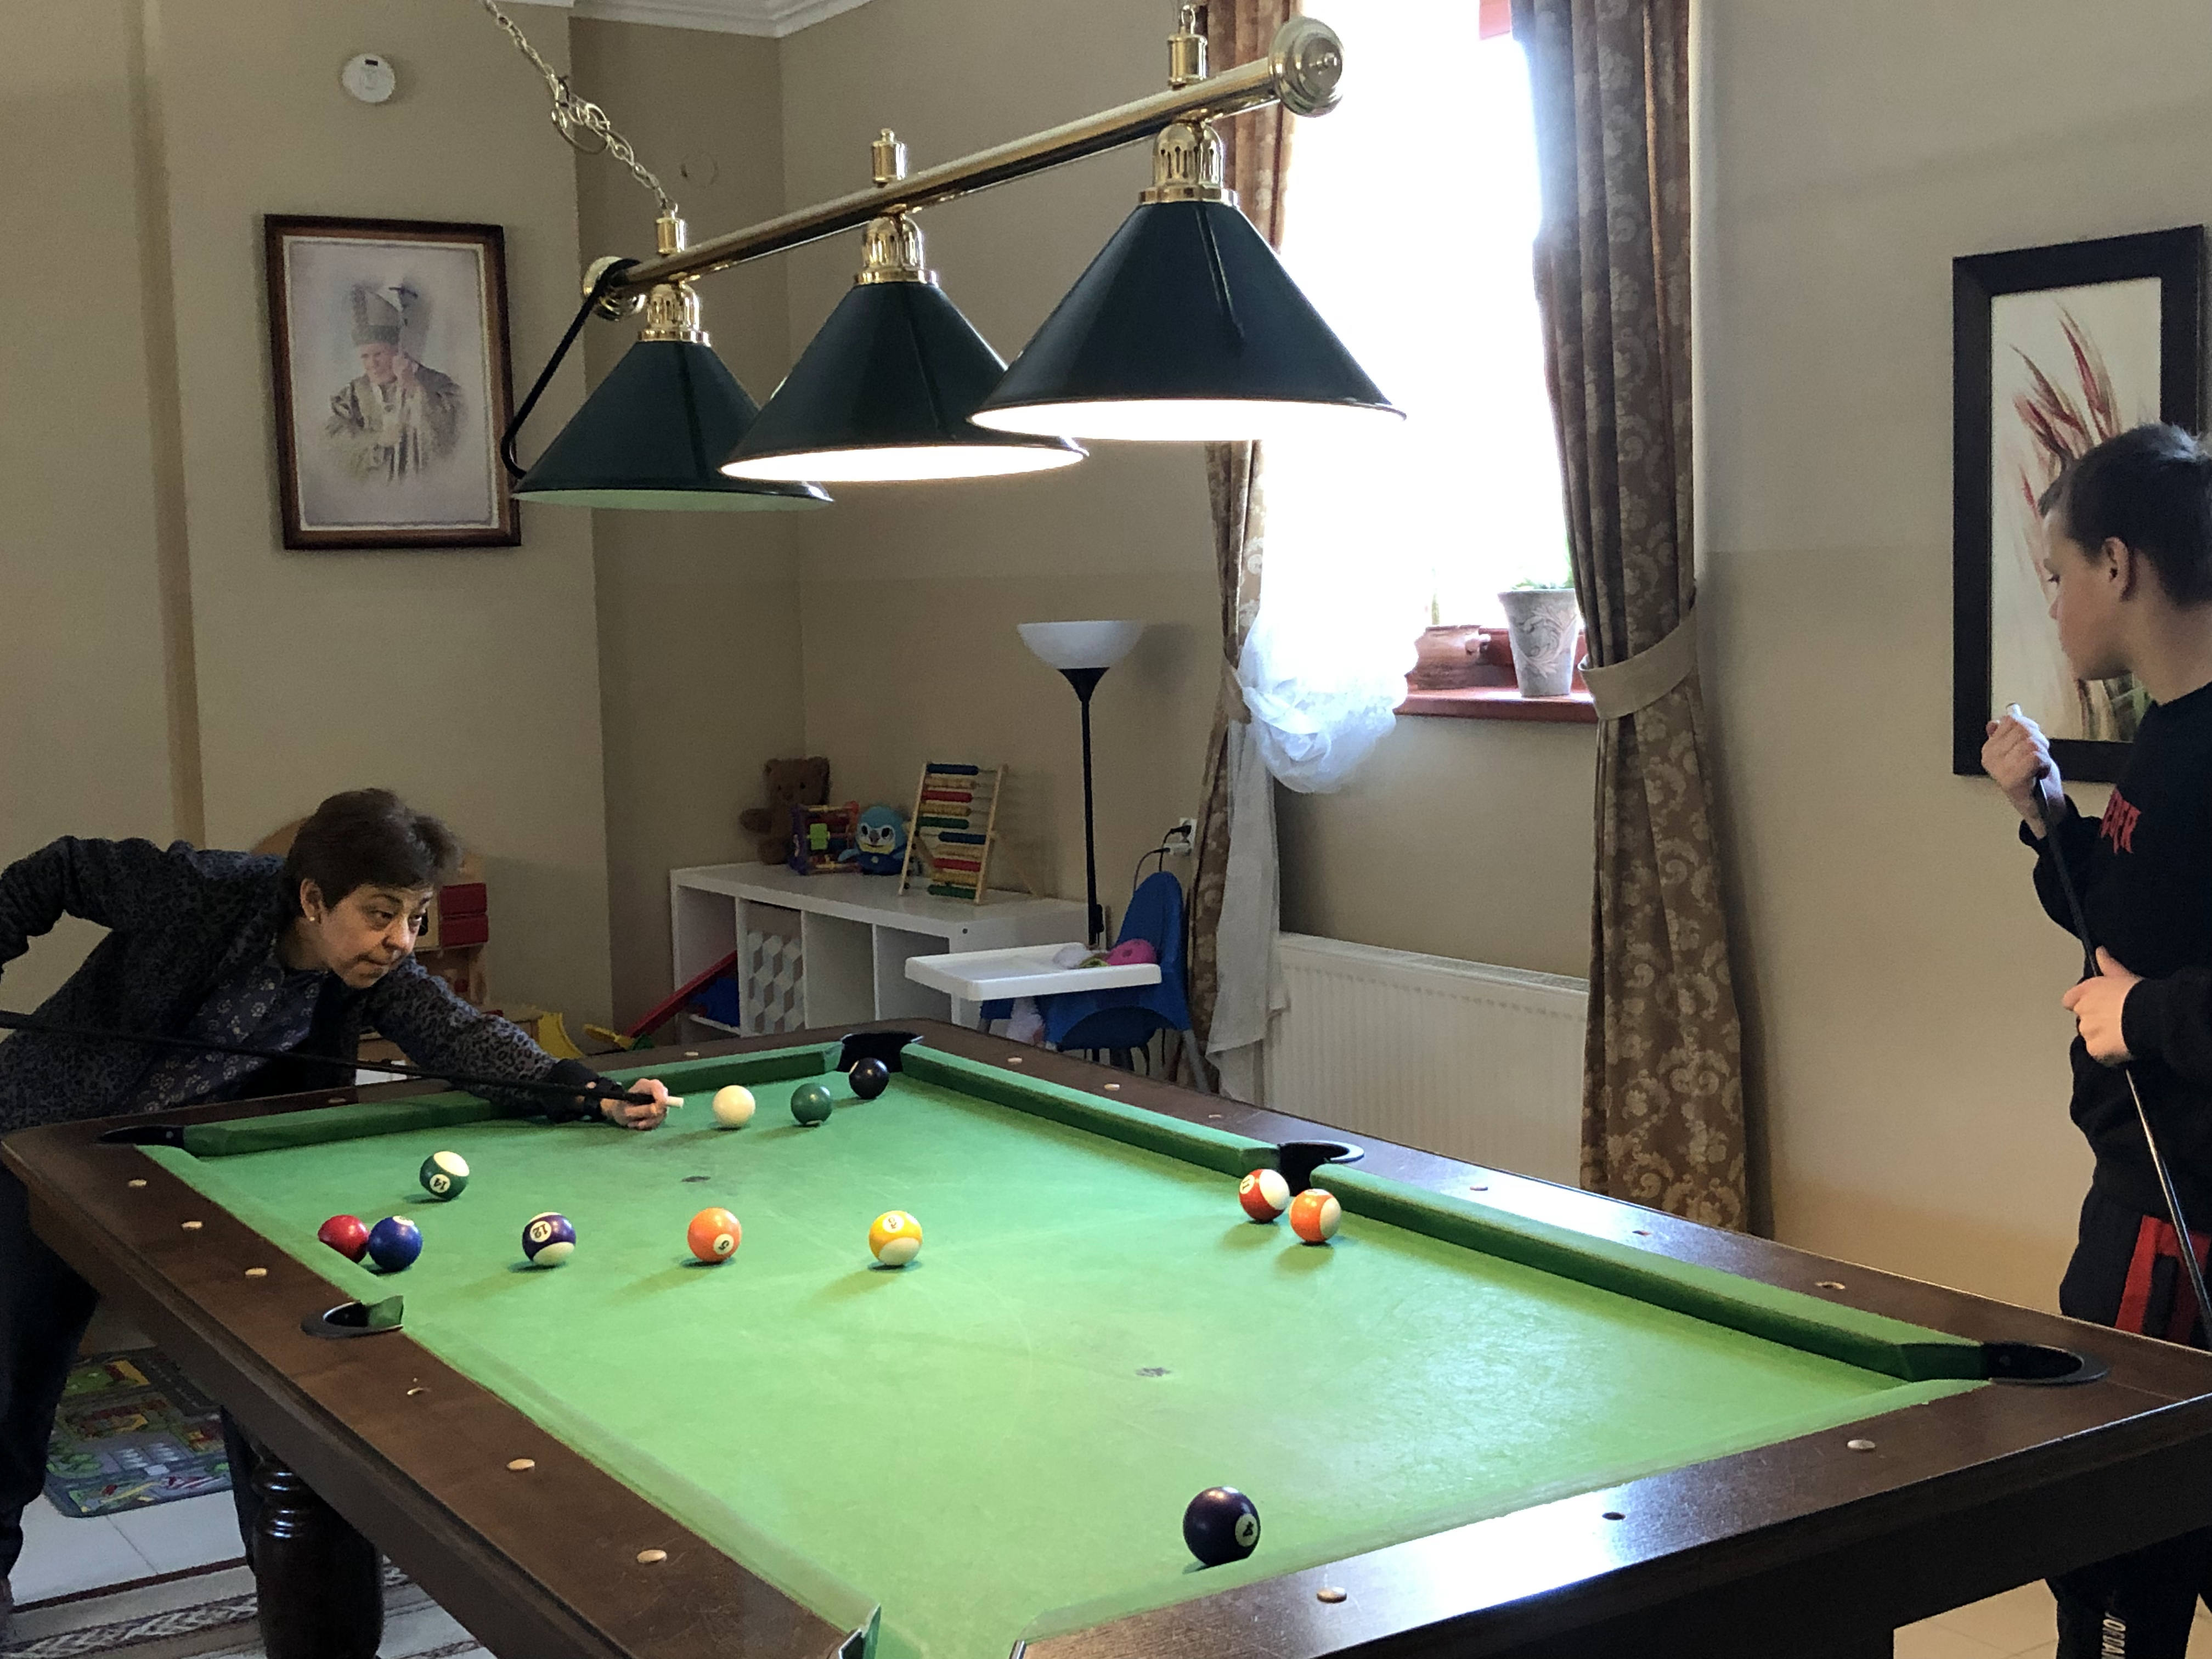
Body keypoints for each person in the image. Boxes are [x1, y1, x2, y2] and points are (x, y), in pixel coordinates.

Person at [0, 789, 672, 1638]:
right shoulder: (203, 889)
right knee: (14, 1380)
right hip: (44, 1137)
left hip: (192, 1170)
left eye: (416, 918)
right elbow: (60, 868)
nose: (402, 941)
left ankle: (295, 1592)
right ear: (313, 899)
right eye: (381, 914)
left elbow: (456, 1034)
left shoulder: (374, 969)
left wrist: (581, 1091)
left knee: (266, 1382)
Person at [1982, 423, 2212, 1658]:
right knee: (2112, 1573)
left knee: (2121, 1547)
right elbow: (2126, 929)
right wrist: (2049, 818)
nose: (2057, 600)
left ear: (2119, 567)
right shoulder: (2167, 731)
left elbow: (2145, 990)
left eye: (2061, 570)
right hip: (2139, 1196)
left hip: (2176, 1225)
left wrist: (2147, 1018)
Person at [325, 284, 464, 483]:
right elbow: (334, 441)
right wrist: (378, 440)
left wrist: (412, 386)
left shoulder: (438, 384)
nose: (372, 364)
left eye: (378, 354)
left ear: (398, 351)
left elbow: (454, 428)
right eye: (365, 356)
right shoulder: (353, 393)